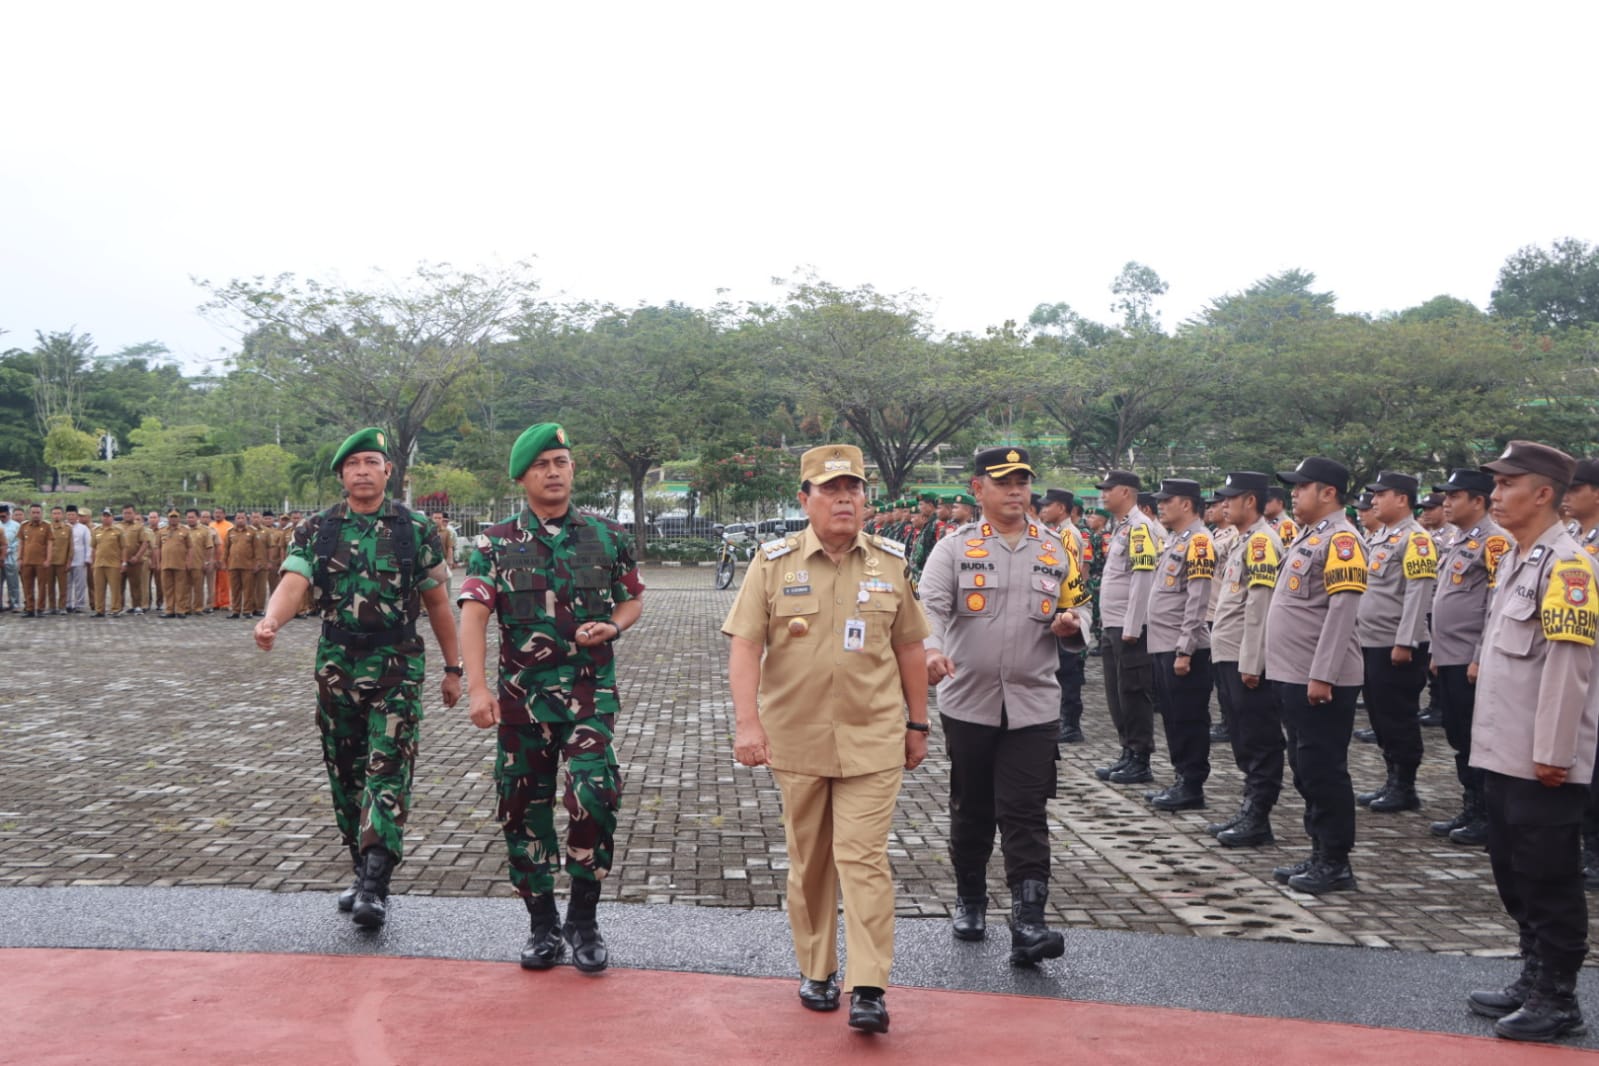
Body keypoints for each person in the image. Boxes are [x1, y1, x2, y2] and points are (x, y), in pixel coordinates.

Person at [723, 443, 929, 1035]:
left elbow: (910, 647)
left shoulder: (891, 562)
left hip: (874, 735)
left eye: (854, 489)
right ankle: (817, 968)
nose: (845, 499)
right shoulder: (773, 562)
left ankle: (869, 984)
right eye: (831, 489)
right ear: (805, 499)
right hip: (797, 737)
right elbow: (745, 645)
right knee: (810, 861)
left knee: (863, 858)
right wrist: (747, 722)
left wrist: (918, 724)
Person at [254, 427, 461, 930]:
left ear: (388, 471)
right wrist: (271, 620)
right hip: (337, 666)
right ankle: (360, 864)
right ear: (342, 475)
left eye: (372, 462)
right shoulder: (318, 530)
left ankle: (374, 883)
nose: (363, 471)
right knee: (345, 773)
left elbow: (437, 602)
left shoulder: (414, 529)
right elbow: (294, 580)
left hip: (398, 664)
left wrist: (454, 668)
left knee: (386, 770)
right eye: (354, 464)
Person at [458, 423, 645, 975]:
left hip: (590, 696)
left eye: (561, 461)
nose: (554, 472)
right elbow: (474, 614)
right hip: (522, 702)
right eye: (542, 465)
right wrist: (476, 688)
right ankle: (542, 923)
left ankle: (583, 917)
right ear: (522, 477)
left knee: (595, 791)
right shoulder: (494, 543)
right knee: (521, 809)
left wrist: (612, 627)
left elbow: (632, 598)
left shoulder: (606, 535)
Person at [921, 448, 1089, 967]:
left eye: (1023, 481)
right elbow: (929, 607)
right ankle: (970, 899)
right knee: (972, 809)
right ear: (978, 489)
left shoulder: (1057, 548)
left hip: (1034, 703)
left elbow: (1081, 607)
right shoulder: (954, 548)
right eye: (1004, 482)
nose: (1016, 490)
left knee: (1025, 811)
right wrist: (930, 649)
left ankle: (1030, 920)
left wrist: (1072, 626)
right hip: (968, 701)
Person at [1465, 441, 1597, 1042]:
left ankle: (1558, 996)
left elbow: (1569, 668)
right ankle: (1532, 972)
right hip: (1502, 747)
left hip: (1541, 755)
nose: (1495, 494)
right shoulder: (1519, 558)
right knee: (1512, 868)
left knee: (1549, 875)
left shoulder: (1568, 566)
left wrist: (1554, 751)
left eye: (1507, 483)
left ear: (1543, 493)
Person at [1266, 457, 1367, 894]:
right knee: (1306, 768)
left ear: (1328, 492)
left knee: (1324, 770)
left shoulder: (1343, 540)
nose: (1294, 492)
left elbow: (1342, 615)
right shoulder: (1311, 536)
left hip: (1320, 680)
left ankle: (1336, 862)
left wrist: (1322, 676)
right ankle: (1318, 850)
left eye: (1302, 486)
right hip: (1295, 674)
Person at [1207, 473, 1287, 847]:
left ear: (1250, 501)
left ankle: (1259, 815)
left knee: (1259, 738)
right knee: (1241, 735)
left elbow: (1259, 607)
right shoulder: (1243, 541)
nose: (1224, 505)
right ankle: (1250, 807)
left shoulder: (1262, 544)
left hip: (1245, 657)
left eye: (1231, 498)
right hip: (1228, 652)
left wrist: (1252, 663)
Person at [1354, 472, 1437, 814]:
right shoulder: (1381, 536)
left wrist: (1406, 642)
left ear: (1402, 498)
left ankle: (1405, 786)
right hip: (1372, 641)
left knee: (1398, 717)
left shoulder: (1416, 539)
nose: (1372, 501)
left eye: (1380, 494)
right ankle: (1392, 779)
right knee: (1380, 716)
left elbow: (1418, 595)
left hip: (1396, 645)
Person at [1142, 479, 1217, 811]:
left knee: (1188, 719)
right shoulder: (1177, 540)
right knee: (1173, 718)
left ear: (1186, 504)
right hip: (1164, 644)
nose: (1160, 505)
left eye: (1166, 500)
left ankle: (1192, 784)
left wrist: (1185, 649)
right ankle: (1181, 778)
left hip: (1183, 649)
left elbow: (1197, 601)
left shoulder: (1199, 542)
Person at [1094, 471, 1160, 785]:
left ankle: (1140, 757)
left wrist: (1133, 625)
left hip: (1129, 627)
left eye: (1107, 490)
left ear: (1125, 492)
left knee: (1134, 693)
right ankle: (1127, 751)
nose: (1103, 495)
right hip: (1113, 623)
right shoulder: (1121, 527)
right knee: (1116, 693)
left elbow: (1142, 578)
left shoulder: (1140, 528)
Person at [1039, 487, 1088, 743]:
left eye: (1049, 505)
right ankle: (1064, 721)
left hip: (1066, 606)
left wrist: (1070, 608)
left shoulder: (1068, 534)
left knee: (1068, 668)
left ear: (1062, 508)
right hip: (1059, 604)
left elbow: (1071, 572)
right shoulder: (1060, 532)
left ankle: (1071, 724)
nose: (1044, 509)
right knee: (1060, 668)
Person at [89, 509, 124, 616]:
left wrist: (124, 562)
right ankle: (99, 610)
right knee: (98, 588)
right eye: (104, 516)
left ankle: (115, 609)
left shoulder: (118, 531)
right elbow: (94, 548)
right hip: (99, 563)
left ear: (112, 517)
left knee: (115, 589)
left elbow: (123, 548)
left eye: (108, 516)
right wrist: (93, 562)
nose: (106, 518)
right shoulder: (96, 530)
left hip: (113, 564)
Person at [65, 506, 91, 613]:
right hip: (65, 560)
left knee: (80, 584)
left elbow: (88, 544)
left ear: (77, 516)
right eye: (69, 515)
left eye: (73, 515)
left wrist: (87, 558)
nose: (71, 517)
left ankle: (79, 604)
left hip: (79, 559)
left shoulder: (83, 528)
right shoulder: (63, 527)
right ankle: (67, 604)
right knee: (67, 583)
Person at [1, 505, 19, 612]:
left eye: (3, 516)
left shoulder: (16, 526)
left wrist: (7, 550)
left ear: (8, 515)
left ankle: (15, 604)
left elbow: (18, 542)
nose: (2, 518)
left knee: (13, 583)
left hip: (11, 558)